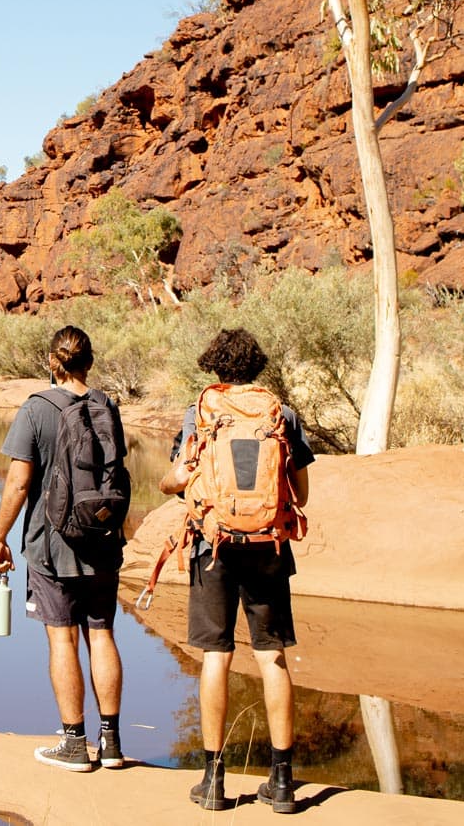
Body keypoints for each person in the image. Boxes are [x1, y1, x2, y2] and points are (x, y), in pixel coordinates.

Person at [159, 328, 313, 814]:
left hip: (214, 545)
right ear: (257, 365)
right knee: (272, 657)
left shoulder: (200, 413)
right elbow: (301, 494)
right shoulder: (281, 414)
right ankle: (283, 782)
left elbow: (178, 479)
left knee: (215, 657)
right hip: (268, 545)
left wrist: (173, 484)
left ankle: (214, 780)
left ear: (215, 366)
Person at [0, 325, 128, 773]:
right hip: (103, 542)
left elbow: (19, 481)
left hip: (52, 546)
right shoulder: (107, 405)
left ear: (53, 361)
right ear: (88, 361)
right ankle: (111, 743)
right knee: (102, 633)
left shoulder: (36, 409)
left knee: (63, 637)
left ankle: (73, 743)